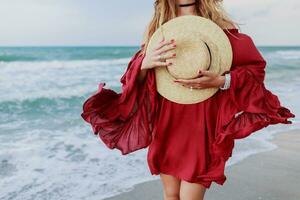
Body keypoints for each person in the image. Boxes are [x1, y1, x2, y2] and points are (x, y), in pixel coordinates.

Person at [81, 0, 295, 199]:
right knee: (171, 194)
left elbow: (255, 72)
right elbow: (133, 79)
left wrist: (222, 80)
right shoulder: (160, 29)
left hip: (201, 122)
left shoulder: (221, 31)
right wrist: (144, 63)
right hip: (166, 119)